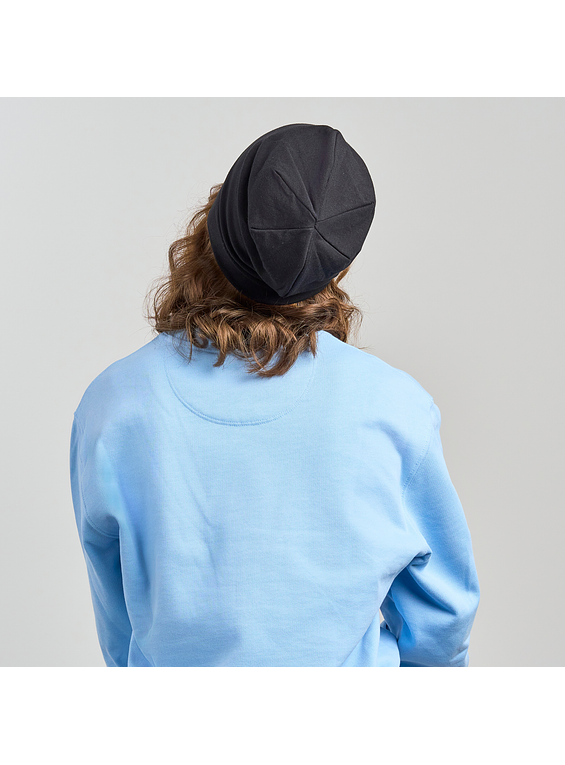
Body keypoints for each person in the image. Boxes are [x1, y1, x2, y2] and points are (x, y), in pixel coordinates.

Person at [70, 124, 480, 667]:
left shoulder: (114, 404)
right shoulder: (393, 407)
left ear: (213, 228)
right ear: (338, 263)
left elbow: (119, 616)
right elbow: (443, 618)